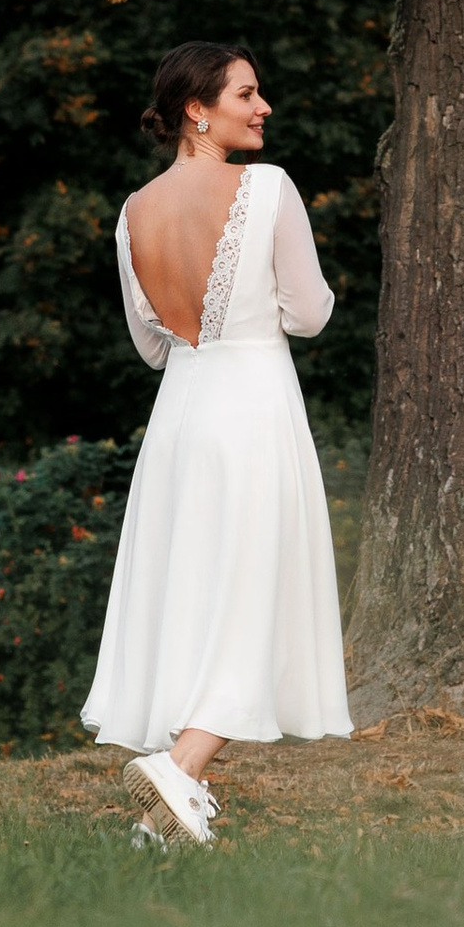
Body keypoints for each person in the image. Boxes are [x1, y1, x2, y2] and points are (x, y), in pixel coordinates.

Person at [79, 41, 353, 843]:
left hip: (183, 414)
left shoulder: (134, 212)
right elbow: (307, 316)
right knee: (253, 593)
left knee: (204, 593)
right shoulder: (267, 188)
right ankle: (180, 765)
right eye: (247, 94)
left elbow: (151, 345)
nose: (262, 107)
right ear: (197, 110)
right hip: (254, 405)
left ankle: (165, 816)